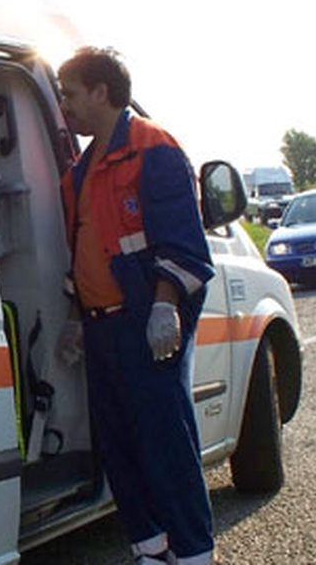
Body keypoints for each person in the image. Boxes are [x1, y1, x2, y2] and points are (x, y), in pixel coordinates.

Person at [58, 47, 216, 565]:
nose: (64, 106)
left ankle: (193, 553)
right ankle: (151, 549)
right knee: (119, 444)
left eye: (70, 94)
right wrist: (76, 316)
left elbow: (184, 247)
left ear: (101, 92)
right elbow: (84, 246)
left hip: (144, 319)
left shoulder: (154, 149)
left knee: (164, 442)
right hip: (102, 325)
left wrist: (164, 308)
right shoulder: (80, 172)